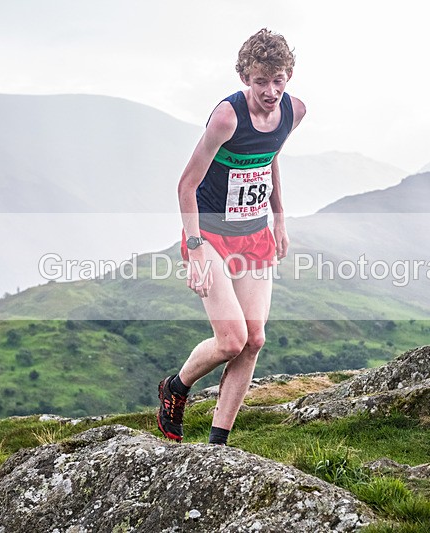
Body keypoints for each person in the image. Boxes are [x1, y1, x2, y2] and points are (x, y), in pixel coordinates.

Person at [157, 28, 306, 446]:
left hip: (254, 232)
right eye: (261, 81)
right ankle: (176, 387)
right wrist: (195, 247)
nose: (271, 91)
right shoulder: (227, 117)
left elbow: (270, 155)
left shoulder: (295, 112)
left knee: (254, 339)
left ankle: (218, 445)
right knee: (231, 339)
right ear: (245, 78)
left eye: (278, 80)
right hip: (210, 234)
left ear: (288, 75)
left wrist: (279, 218)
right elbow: (186, 185)